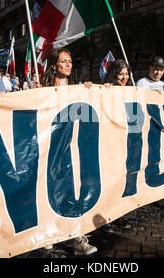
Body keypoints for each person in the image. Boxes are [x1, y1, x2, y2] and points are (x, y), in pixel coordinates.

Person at [40, 47, 96, 255]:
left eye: (70, 62)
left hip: (70, 149)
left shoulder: (76, 88)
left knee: (70, 190)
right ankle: (48, 232)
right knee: (49, 192)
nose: (68, 65)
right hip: (49, 149)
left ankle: (76, 237)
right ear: (54, 65)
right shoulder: (43, 87)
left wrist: (93, 90)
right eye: (63, 62)